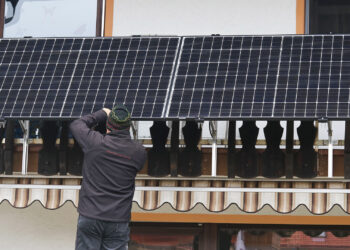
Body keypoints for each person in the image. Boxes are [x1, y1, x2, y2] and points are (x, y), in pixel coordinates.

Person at [70, 105, 147, 250]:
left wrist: (101, 113)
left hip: (90, 216)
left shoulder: (95, 143)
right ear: (128, 127)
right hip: (118, 220)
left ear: (108, 126)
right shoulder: (138, 152)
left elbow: (76, 124)